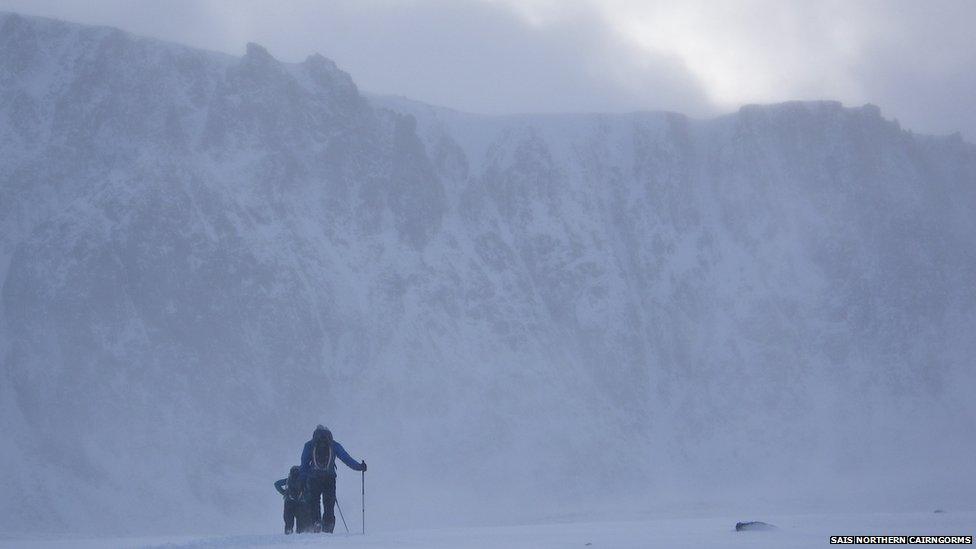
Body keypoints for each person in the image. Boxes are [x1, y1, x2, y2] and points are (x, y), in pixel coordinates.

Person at [299, 425, 366, 533]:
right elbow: (346, 458)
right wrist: (359, 467)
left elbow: (304, 464)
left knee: (314, 502)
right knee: (329, 503)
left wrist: (302, 481)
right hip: (329, 479)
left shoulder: (309, 445)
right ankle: (328, 525)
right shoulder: (333, 445)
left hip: (313, 478)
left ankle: (316, 523)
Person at [274, 465, 307, 534]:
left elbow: (276, 484)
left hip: (289, 502)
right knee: (301, 523)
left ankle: (288, 533)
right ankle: (300, 534)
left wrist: (284, 492)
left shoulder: (288, 480)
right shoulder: (303, 480)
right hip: (300, 503)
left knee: (289, 521)